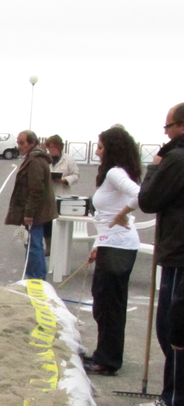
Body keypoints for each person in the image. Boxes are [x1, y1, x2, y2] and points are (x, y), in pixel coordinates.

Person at [80, 127, 142, 376]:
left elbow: (139, 194)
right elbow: (104, 219)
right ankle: (103, 354)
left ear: (112, 149)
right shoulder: (112, 174)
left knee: (109, 304)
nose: (97, 151)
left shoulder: (116, 172)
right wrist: (97, 245)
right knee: (103, 301)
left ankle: (108, 360)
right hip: (110, 244)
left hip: (119, 246)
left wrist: (123, 213)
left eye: (101, 147)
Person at [136, 102, 184, 406]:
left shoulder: (176, 158)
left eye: (167, 127)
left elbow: (148, 199)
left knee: (173, 327)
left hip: (179, 253)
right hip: (177, 249)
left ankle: (175, 398)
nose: (164, 133)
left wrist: (156, 165)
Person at [4, 130, 56, 280]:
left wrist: (29, 213)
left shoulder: (35, 161)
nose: (19, 146)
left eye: (22, 143)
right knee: (31, 243)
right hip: (36, 210)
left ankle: (37, 278)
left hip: (36, 212)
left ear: (32, 143)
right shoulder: (33, 158)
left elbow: (36, 190)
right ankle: (34, 276)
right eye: (18, 143)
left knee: (34, 246)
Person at [45, 134, 80, 255]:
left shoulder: (68, 159)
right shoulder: (45, 158)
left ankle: (60, 247)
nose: (51, 149)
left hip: (61, 193)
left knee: (60, 221)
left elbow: (76, 175)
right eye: (49, 147)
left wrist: (65, 180)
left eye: (54, 147)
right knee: (47, 222)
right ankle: (49, 246)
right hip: (47, 194)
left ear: (60, 147)